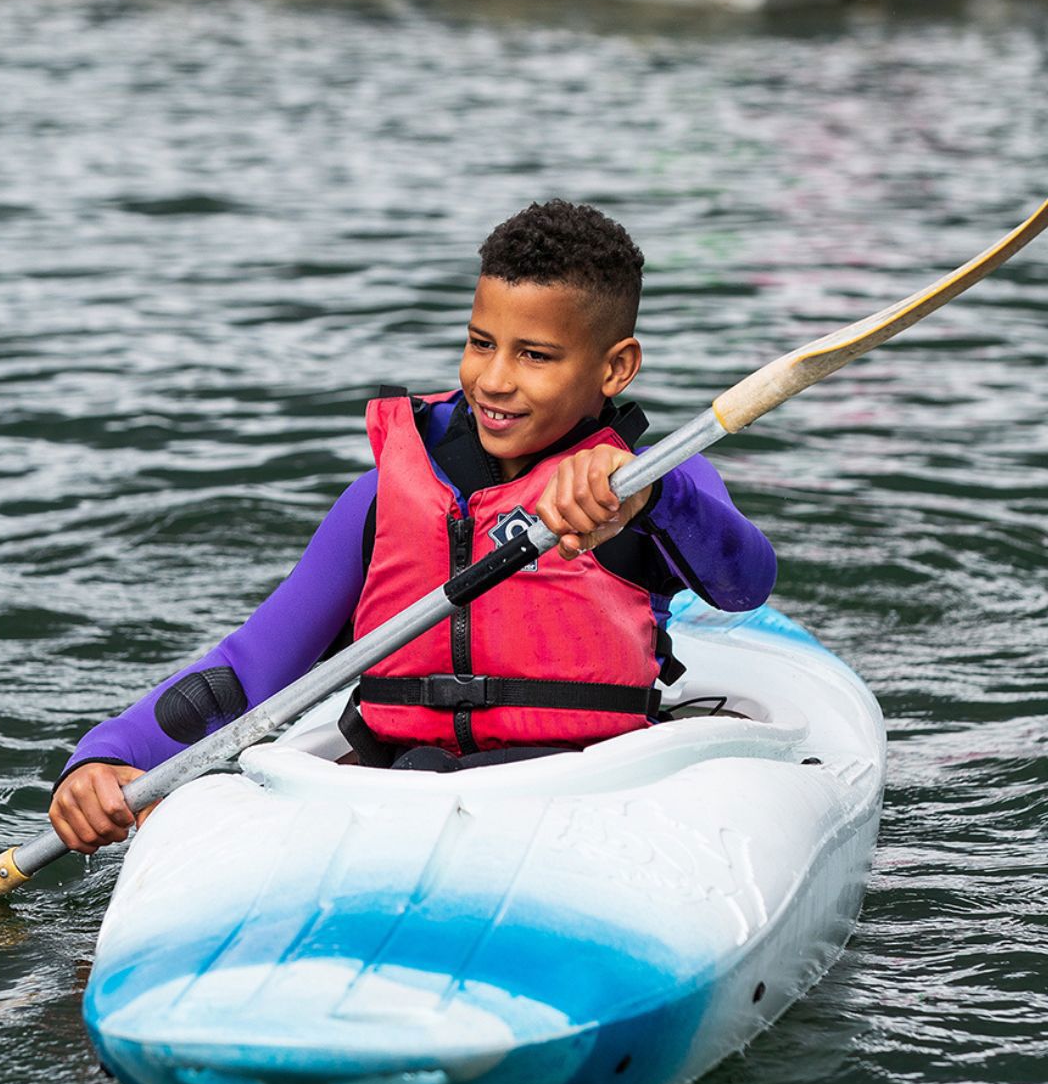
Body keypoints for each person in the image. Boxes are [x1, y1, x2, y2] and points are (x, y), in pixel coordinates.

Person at [49, 200, 777, 854]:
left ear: (615, 368)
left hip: (582, 792)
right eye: (481, 342)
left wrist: (650, 500)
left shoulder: (643, 484)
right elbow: (252, 668)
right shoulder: (383, 498)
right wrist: (108, 753)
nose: (494, 379)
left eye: (535, 356)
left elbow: (745, 583)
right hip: (400, 785)